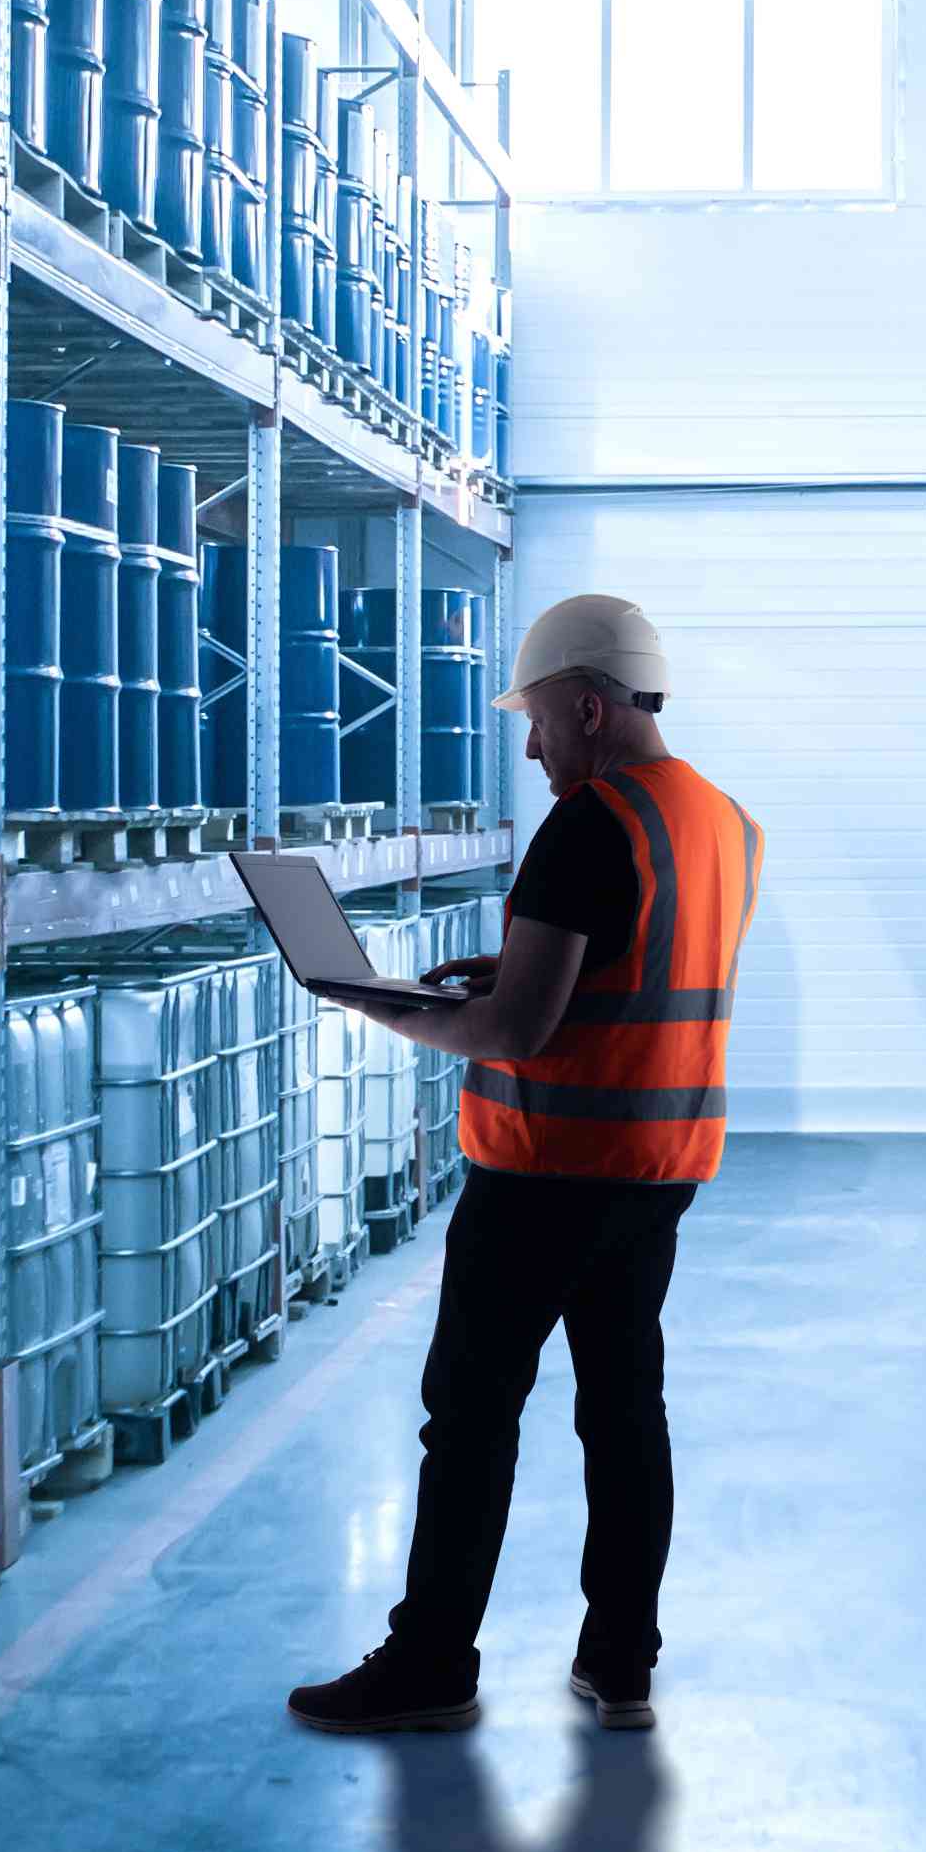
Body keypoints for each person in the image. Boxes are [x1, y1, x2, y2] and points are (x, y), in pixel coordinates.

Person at [288, 592, 763, 1737]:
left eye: (541, 718)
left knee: (470, 1416)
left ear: (591, 707)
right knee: (624, 1409)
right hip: (654, 1166)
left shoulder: (590, 819)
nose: (532, 743)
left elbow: (513, 1034)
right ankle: (621, 1661)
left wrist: (381, 1003)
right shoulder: (725, 821)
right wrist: (509, 962)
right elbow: (634, 960)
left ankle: (431, 1663)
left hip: (544, 1171)